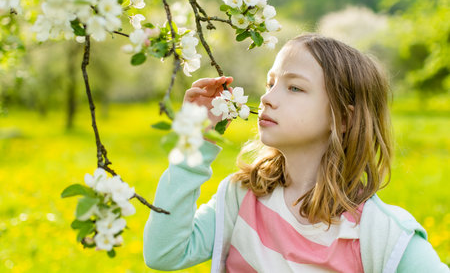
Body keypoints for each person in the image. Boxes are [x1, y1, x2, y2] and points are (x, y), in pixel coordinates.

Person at [143, 34, 449, 272]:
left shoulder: (382, 235)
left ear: (344, 118)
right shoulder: (241, 198)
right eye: (271, 83)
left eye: (294, 88)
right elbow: (164, 253)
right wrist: (192, 139)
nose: (266, 97)